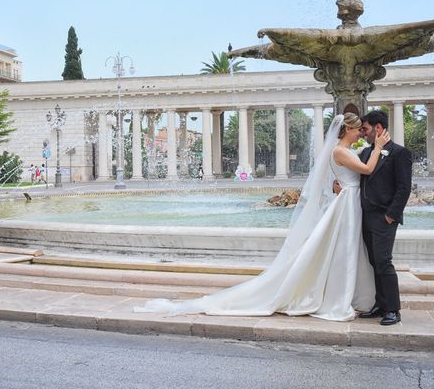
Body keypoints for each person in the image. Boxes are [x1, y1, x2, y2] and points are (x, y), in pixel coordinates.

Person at [135, 113, 389, 321]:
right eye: (358, 131)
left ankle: (347, 295)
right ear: (347, 130)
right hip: (346, 204)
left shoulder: (343, 150)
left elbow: (348, 175)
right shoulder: (340, 150)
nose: (361, 135)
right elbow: (366, 169)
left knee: (346, 250)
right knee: (342, 250)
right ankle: (336, 298)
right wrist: (378, 146)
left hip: (349, 200)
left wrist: (343, 180)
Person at [356, 110, 412, 326]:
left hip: (384, 217)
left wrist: (391, 216)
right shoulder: (364, 154)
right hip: (366, 217)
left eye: (365, 129)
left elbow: (404, 188)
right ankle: (380, 304)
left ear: (378, 129)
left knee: (383, 261)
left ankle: (393, 309)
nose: (362, 133)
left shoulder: (400, 153)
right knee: (373, 261)